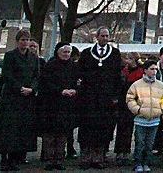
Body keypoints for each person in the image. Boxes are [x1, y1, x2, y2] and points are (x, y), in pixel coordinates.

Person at [0, 29, 40, 171]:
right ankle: (4, 158)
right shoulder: (10, 56)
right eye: (22, 40)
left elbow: (37, 76)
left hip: (26, 99)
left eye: (27, 40)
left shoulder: (33, 58)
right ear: (17, 41)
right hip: (12, 97)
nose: (25, 42)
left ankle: (15, 158)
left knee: (21, 129)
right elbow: (7, 75)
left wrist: (32, 89)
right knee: (8, 128)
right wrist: (20, 88)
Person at [77, 27, 123, 169]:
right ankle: (86, 155)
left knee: (102, 127)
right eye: (102, 36)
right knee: (87, 127)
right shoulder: (86, 53)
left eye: (107, 36)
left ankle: (99, 156)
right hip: (89, 98)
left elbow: (118, 77)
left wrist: (115, 96)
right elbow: (80, 74)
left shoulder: (115, 54)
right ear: (96, 37)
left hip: (106, 99)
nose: (105, 38)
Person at [37, 42, 78, 170]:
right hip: (51, 105)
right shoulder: (50, 65)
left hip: (67, 106)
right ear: (58, 52)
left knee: (63, 134)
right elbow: (45, 83)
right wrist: (60, 90)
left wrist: (75, 90)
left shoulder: (73, 66)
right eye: (64, 52)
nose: (66, 55)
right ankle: (49, 159)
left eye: (68, 52)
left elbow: (79, 81)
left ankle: (60, 159)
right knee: (50, 134)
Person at [126, 59, 163, 173]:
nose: (154, 71)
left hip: (154, 120)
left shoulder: (161, 86)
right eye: (151, 69)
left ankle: (146, 162)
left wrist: (161, 110)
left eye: (155, 69)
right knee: (140, 143)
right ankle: (138, 163)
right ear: (145, 70)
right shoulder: (137, 85)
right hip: (140, 119)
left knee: (150, 144)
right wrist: (137, 110)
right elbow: (130, 98)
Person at [115, 52, 143, 163]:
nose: (127, 61)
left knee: (128, 129)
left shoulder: (140, 72)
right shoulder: (124, 71)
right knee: (121, 128)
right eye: (127, 58)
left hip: (133, 103)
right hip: (122, 103)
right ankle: (119, 152)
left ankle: (126, 152)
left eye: (130, 59)